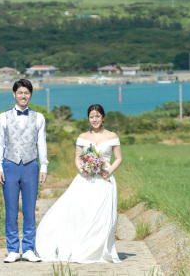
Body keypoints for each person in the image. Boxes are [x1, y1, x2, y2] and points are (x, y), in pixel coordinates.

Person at [34, 104, 122, 263]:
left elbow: (119, 158)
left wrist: (108, 171)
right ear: (88, 118)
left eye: (97, 116)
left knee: (104, 216)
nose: (94, 119)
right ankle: (80, 247)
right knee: (81, 212)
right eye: (91, 116)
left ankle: (98, 250)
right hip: (85, 179)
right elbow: (77, 157)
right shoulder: (82, 136)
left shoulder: (112, 136)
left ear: (103, 117)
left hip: (105, 180)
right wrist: (83, 169)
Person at [0, 79, 48, 263]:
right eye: (20, 92)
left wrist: (44, 166)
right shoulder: (3, 117)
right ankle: (12, 250)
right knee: (10, 209)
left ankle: (29, 249)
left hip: (31, 165)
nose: (23, 96)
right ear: (14, 94)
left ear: (30, 95)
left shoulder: (39, 117)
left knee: (29, 209)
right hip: (9, 165)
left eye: (26, 93)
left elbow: (41, 143)